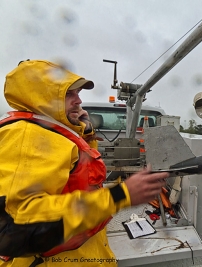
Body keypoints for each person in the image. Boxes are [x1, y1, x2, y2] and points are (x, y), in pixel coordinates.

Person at [0, 59, 169, 266]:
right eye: (68, 93)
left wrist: (86, 134)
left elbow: (81, 177)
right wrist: (119, 195)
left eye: (78, 93)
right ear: (40, 97)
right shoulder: (27, 136)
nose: (78, 101)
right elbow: (18, 227)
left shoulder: (54, 135)